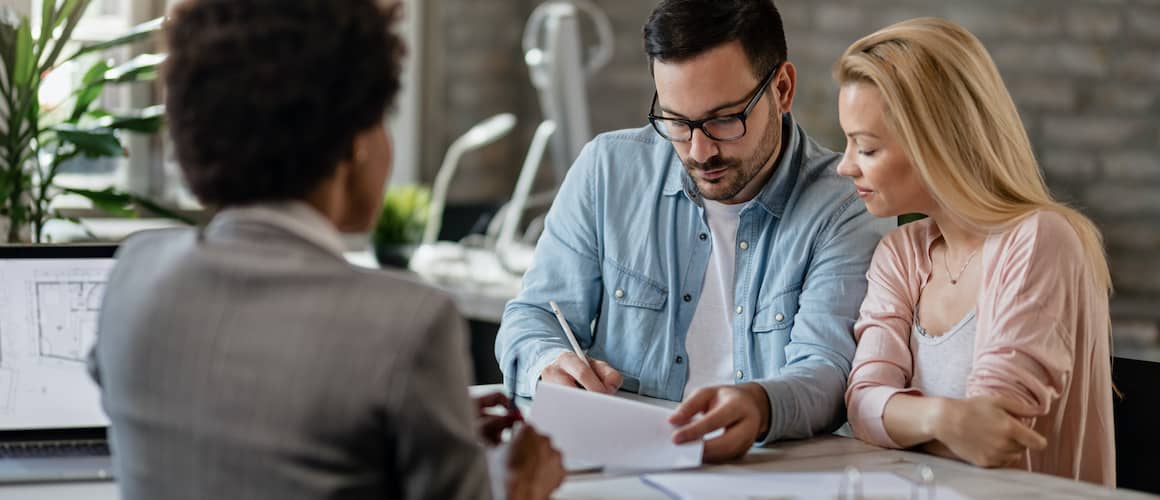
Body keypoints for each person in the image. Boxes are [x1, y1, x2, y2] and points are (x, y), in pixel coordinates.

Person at [88, 0, 564, 498]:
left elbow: (222, 407)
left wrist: (419, 416)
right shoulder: (407, 324)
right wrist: (522, 486)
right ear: (355, 144)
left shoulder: (135, 272)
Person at [495, 0, 893, 463]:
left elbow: (827, 370)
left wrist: (760, 405)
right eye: (677, 121)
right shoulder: (607, 171)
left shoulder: (844, 204)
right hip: (621, 468)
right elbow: (532, 316)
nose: (700, 151)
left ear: (782, 89)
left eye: (725, 119)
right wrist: (549, 364)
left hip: (765, 475)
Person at [836, 17, 1115, 485]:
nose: (845, 166)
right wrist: (946, 421)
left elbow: (993, 442)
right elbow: (861, 404)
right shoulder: (901, 254)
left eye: (866, 148)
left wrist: (899, 419)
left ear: (935, 145)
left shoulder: (1041, 239)